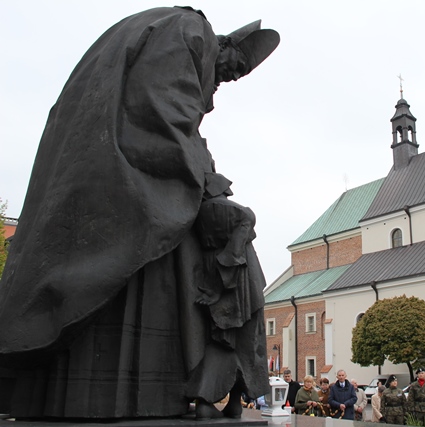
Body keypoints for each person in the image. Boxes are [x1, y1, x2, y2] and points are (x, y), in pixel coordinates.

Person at [0, 6, 280, 420]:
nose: (224, 81)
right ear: (226, 44)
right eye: (231, 69)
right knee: (195, 249)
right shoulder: (191, 29)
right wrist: (202, 176)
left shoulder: (161, 27)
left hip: (97, 170)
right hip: (125, 177)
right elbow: (160, 112)